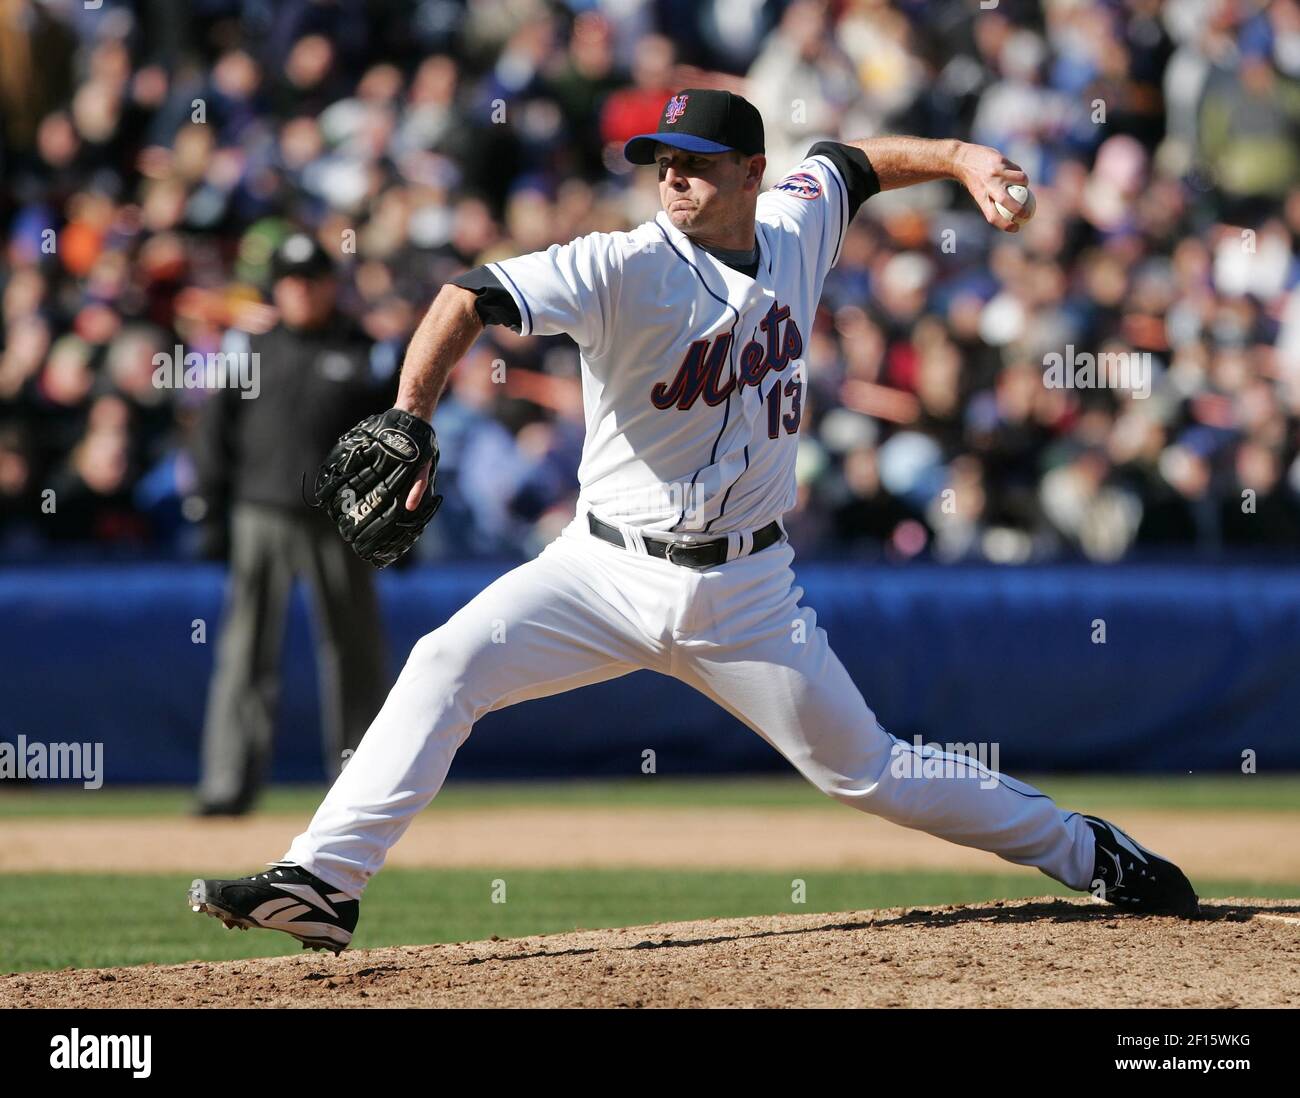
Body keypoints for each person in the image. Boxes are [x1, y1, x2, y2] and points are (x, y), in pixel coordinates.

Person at [189, 91, 1197, 953]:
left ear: (753, 173)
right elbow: (467, 293)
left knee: (872, 772)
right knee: (445, 662)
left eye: (697, 165)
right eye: (660, 163)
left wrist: (965, 156)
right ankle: (322, 881)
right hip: (598, 570)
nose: (672, 180)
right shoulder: (622, 264)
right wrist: (409, 414)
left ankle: (1084, 849)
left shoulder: (799, 221)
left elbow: (852, 162)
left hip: (745, 591)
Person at [190, 233, 393, 816]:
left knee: (354, 653)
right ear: (278, 288)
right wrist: (207, 506)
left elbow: (394, 442)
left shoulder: (365, 352)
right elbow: (212, 434)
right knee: (246, 653)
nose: (303, 291)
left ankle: (361, 788)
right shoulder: (249, 351)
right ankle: (228, 783)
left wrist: (392, 524)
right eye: (293, 281)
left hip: (342, 518)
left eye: (313, 279)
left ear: (331, 285)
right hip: (261, 511)